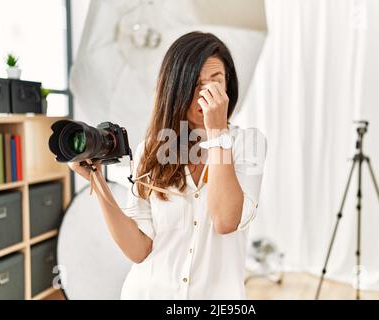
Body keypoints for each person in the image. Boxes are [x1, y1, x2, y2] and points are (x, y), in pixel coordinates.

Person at [68, 31, 267, 299]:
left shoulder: (248, 144)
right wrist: (97, 181)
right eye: (195, 84)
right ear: (176, 88)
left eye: (216, 82)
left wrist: (218, 133)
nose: (206, 93)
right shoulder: (151, 150)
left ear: (228, 87)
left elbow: (225, 220)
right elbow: (138, 250)